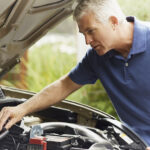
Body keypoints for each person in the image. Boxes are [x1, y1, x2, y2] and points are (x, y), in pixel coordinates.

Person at [0, 0, 150, 148]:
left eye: (90, 31)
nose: (87, 41)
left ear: (113, 21)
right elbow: (64, 85)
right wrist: (21, 109)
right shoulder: (97, 56)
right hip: (134, 141)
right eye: (83, 33)